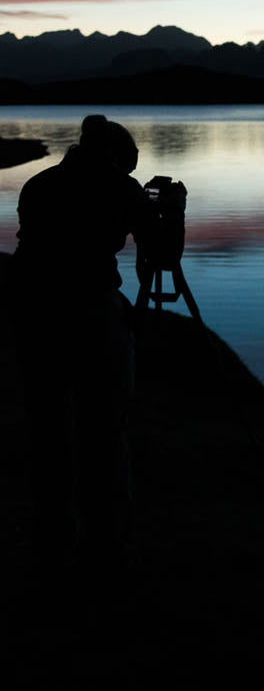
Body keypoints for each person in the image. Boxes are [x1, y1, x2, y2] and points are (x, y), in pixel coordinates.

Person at [12, 114, 154, 579]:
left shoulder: (38, 184)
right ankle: (108, 547)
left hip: (35, 314)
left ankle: (51, 541)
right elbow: (158, 250)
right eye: (125, 167)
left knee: (47, 432)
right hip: (93, 316)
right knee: (105, 433)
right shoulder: (120, 189)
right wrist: (168, 213)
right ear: (115, 158)